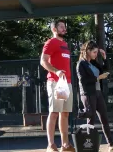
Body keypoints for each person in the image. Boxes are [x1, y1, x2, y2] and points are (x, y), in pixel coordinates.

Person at [76, 41, 113, 150]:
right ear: (87, 51)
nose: (96, 54)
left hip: (98, 93)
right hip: (88, 94)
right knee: (90, 120)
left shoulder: (93, 63)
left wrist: (105, 58)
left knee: (104, 118)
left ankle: (111, 144)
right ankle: (88, 145)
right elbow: (83, 80)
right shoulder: (81, 64)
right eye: (94, 52)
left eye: (97, 52)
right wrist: (97, 78)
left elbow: (104, 69)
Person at [39, 19, 73, 152]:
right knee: (54, 113)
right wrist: (56, 71)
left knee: (64, 114)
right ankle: (51, 145)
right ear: (54, 29)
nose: (64, 28)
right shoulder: (51, 42)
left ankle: (65, 145)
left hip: (67, 83)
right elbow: (43, 61)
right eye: (61, 27)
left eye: (64, 26)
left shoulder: (64, 44)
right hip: (55, 82)